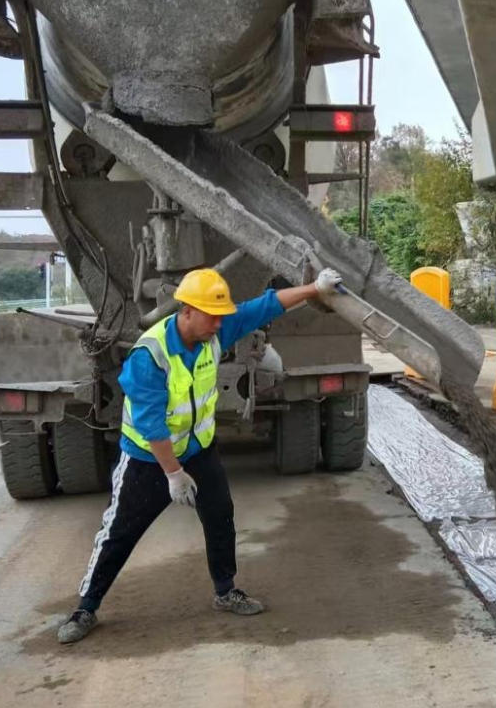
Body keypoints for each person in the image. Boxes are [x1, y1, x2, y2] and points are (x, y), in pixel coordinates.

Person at [56, 265, 340, 644]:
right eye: (211, 317)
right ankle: (86, 607)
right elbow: (152, 425)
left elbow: (265, 307)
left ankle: (225, 591)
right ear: (185, 311)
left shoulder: (213, 334)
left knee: (219, 515)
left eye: (222, 318)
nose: (219, 326)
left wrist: (313, 288)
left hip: (198, 450)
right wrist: (173, 474)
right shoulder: (150, 356)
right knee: (121, 531)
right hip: (148, 458)